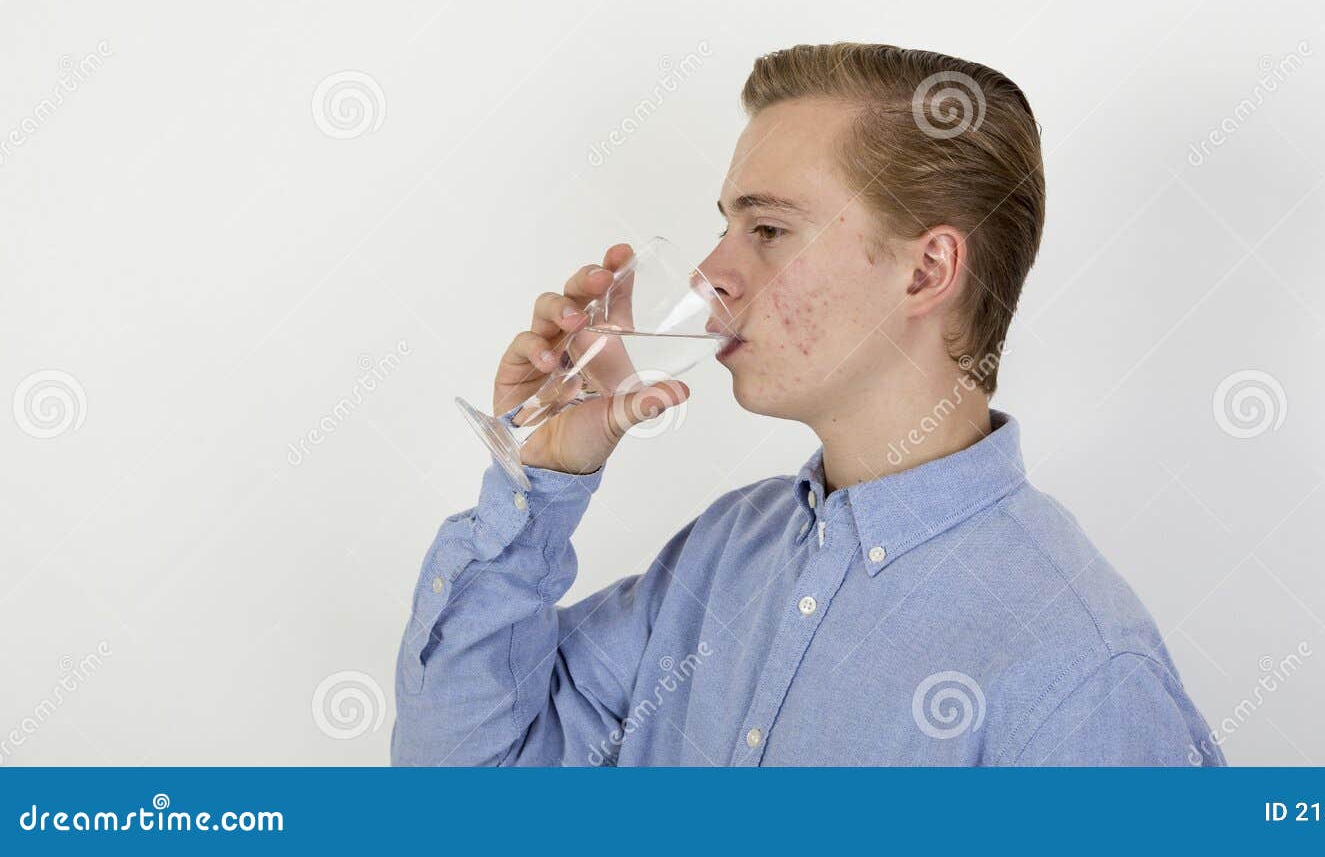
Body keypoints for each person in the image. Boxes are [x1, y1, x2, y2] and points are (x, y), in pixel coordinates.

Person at [391, 42, 1224, 766]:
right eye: (725, 224)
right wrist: (537, 481)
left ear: (926, 271)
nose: (706, 272)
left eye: (769, 229)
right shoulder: (725, 554)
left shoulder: (1083, 674)